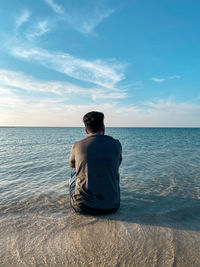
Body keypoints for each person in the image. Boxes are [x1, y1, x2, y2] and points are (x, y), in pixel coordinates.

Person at [68, 111, 122, 215]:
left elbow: (71, 165)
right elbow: (117, 164)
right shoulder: (116, 144)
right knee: (113, 172)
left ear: (86, 130)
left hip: (82, 207)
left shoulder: (77, 145)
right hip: (112, 206)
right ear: (103, 127)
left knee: (74, 174)